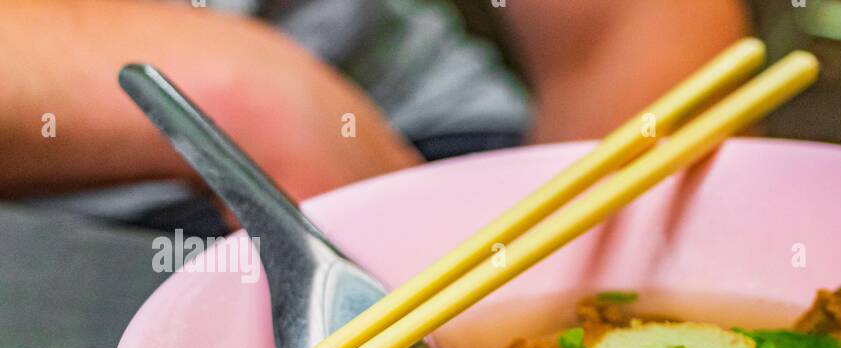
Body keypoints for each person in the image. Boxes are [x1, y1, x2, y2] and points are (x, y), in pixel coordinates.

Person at [0, 0, 748, 230]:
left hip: (404, 130)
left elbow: (626, 24)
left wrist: (580, 279)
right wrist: (237, 89)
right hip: (47, 223)